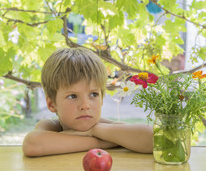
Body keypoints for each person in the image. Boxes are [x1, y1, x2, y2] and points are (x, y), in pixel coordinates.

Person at [22, 47, 153, 157]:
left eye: (93, 94)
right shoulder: (51, 126)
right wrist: (99, 142)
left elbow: (152, 138)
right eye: (72, 96)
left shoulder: (101, 126)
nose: (85, 105)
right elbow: (32, 144)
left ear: (101, 99)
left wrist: (95, 130)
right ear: (52, 104)